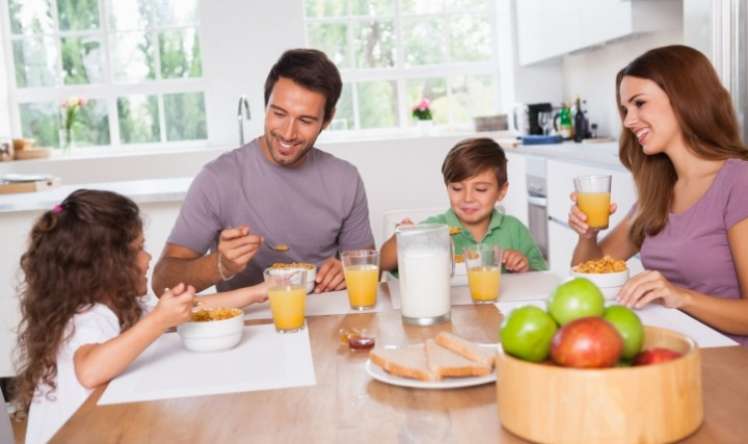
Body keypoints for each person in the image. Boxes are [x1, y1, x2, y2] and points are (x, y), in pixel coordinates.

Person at [14, 190, 269, 444]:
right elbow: (90, 370)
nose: (147, 258)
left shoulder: (122, 304)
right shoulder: (85, 316)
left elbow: (194, 305)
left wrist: (258, 292)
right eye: (138, 249)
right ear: (105, 265)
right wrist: (159, 320)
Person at [153, 48, 375, 295]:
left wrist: (347, 270)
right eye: (279, 114)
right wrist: (219, 265)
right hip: (249, 323)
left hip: (324, 318)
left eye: (305, 121)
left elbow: (366, 267)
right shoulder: (217, 179)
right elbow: (161, 282)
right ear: (266, 105)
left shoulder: (345, 180)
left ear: (327, 120)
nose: (288, 133)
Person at [568, 45, 748, 345]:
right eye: (626, 109)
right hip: (671, 350)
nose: (628, 121)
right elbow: (590, 274)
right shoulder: (658, 192)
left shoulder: (739, 181)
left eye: (639, 103)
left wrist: (680, 297)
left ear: (683, 98)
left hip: (729, 364)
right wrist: (587, 234)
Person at [380, 137, 547, 273]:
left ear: (501, 191)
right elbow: (383, 264)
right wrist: (401, 239)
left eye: (480, 189)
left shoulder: (514, 230)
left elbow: (540, 276)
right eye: (457, 188)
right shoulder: (433, 231)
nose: (467, 198)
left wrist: (524, 267)